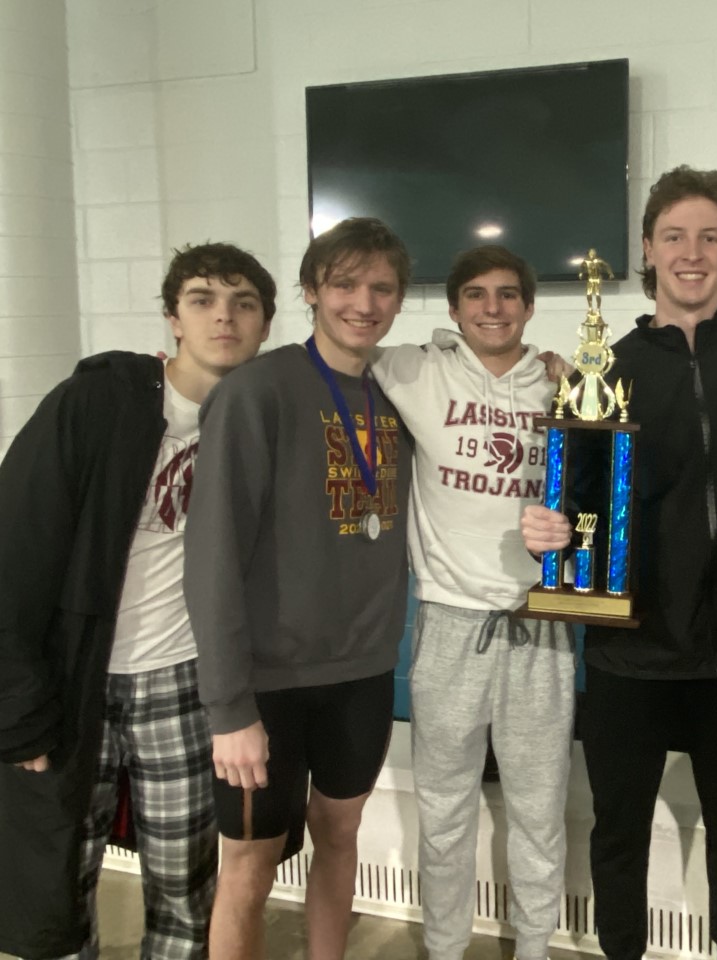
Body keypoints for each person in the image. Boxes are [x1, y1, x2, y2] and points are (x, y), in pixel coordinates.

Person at [522, 165, 717, 960]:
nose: (693, 253)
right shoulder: (602, 370)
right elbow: (577, 498)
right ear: (647, 250)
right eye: (675, 236)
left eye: (710, 237)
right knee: (618, 830)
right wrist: (548, 527)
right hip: (629, 651)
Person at [0, 243, 275, 959]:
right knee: (59, 883)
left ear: (265, 325)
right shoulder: (94, 404)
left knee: (186, 888)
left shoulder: (255, 419)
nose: (224, 317)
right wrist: (18, 710)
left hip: (182, 684)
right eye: (203, 300)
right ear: (173, 319)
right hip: (75, 683)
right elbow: (13, 552)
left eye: (243, 303)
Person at [184, 218, 410, 960]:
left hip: (363, 672)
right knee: (249, 864)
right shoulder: (257, 391)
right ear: (311, 290)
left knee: (340, 835)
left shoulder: (398, 392)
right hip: (268, 683)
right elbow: (212, 558)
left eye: (382, 287)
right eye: (344, 284)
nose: (363, 303)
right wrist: (229, 708)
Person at [370, 245, 576, 960]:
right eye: (478, 295)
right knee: (445, 814)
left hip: (538, 629)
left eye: (509, 294)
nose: (494, 307)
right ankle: (446, 948)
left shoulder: (562, 386)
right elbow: (327, 359)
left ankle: (534, 949)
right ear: (454, 308)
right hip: (449, 626)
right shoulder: (413, 371)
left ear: (529, 306)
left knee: (539, 814)